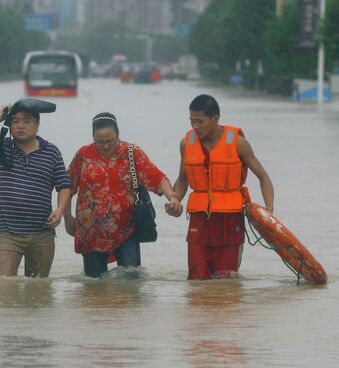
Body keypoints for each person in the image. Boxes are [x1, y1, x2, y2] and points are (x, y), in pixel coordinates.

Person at [166, 94, 274, 280]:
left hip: (230, 219)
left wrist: (269, 209)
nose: (195, 127)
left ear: (215, 119)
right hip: (199, 219)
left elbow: (263, 176)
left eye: (200, 121)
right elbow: (183, 179)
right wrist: (175, 200)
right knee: (196, 278)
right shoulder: (186, 144)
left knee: (226, 279)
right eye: (192, 121)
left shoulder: (239, 143)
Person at [63, 112, 182, 278]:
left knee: (130, 280)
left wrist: (173, 198)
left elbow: (157, 178)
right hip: (90, 234)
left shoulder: (132, 153)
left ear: (117, 134)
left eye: (110, 141)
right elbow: (67, 186)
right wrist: (67, 218)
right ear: (93, 138)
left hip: (126, 230)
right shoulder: (83, 155)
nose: (105, 146)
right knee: (93, 285)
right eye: (100, 142)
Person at [0, 102, 71, 278]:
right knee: (3, 285)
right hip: (9, 235)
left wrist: (59, 211)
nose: (20, 125)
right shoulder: (2, 147)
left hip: (42, 233)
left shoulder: (51, 152)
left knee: (38, 291)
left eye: (27, 121)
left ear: (37, 125)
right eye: (15, 121)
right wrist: (0, 116)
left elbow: (64, 186)